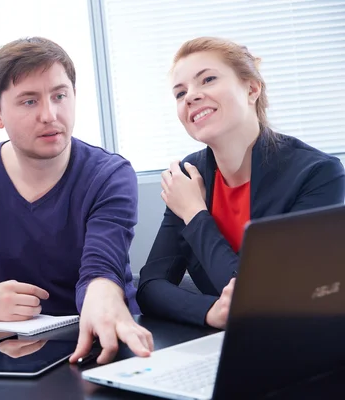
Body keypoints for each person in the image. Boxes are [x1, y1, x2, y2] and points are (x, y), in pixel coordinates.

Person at [0, 37, 153, 364]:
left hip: (110, 342)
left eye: (60, 96)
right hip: (21, 355)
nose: (50, 114)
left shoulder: (109, 174)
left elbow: (101, 269)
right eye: (29, 101)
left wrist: (102, 294)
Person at [137, 37, 345, 329]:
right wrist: (210, 311)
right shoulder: (190, 174)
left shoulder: (318, 174)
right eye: (180, 92)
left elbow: (264, 300)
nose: (190, 97)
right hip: (226, 344)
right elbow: (150, 287)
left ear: (251, 88)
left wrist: (195, 214)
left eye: (207, 79)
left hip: (299, 343)